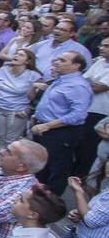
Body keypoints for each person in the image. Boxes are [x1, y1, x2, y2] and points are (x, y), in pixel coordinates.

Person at [30, 51, 93, 195]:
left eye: (63, 60)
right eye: (57, 59)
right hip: (43, 128)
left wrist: (47, 125)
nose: (57, 62)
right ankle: (36, 197)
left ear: (76, 65)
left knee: (56, 168)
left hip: (60, 132)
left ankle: (49, 202)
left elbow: (78, 115)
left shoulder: (78, 86)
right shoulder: (61, 80)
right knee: (41, 165)